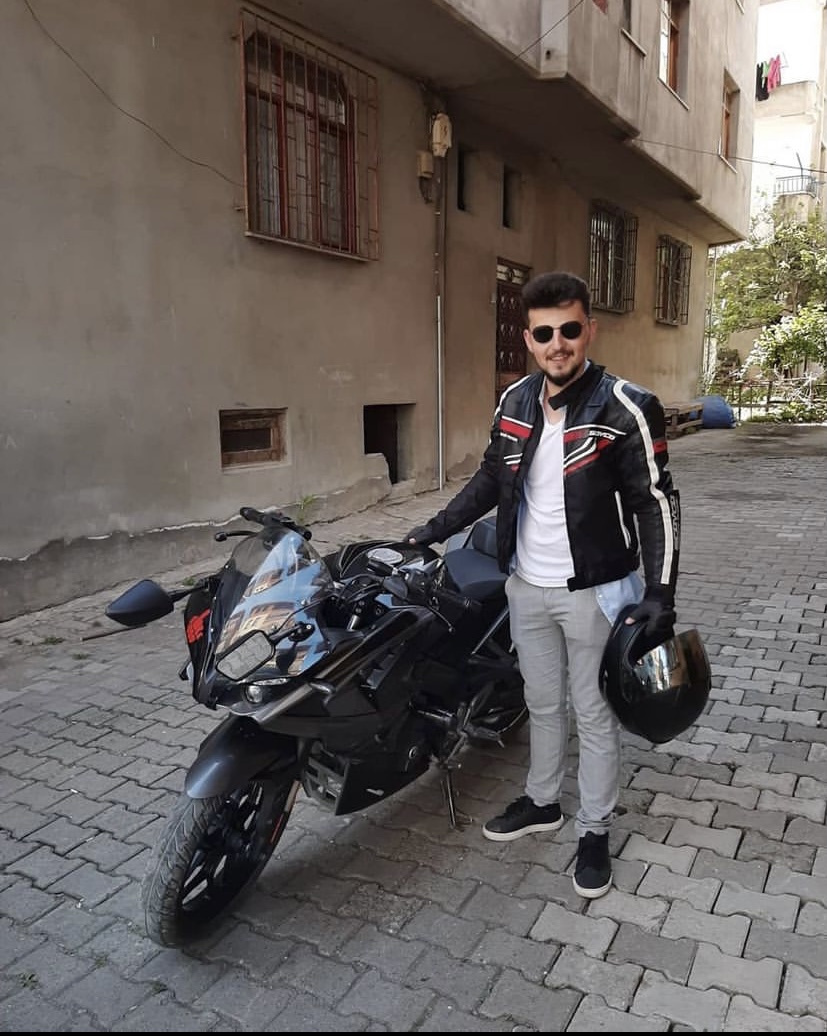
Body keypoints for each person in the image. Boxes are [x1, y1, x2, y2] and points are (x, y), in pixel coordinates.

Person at [406, 270, 680, 899]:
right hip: (526, 586)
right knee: (542, 703)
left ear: (589, 331)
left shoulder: (626, 407)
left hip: (594, 592)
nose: (558, 344)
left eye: (570, 330)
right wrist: (432, 529)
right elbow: (490, 478)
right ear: (528, 339)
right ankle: (543, 801)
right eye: (544, 333)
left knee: (595, 712)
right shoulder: (514, 402)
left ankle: (595, 829)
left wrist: (660, 593)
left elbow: (656, 503)